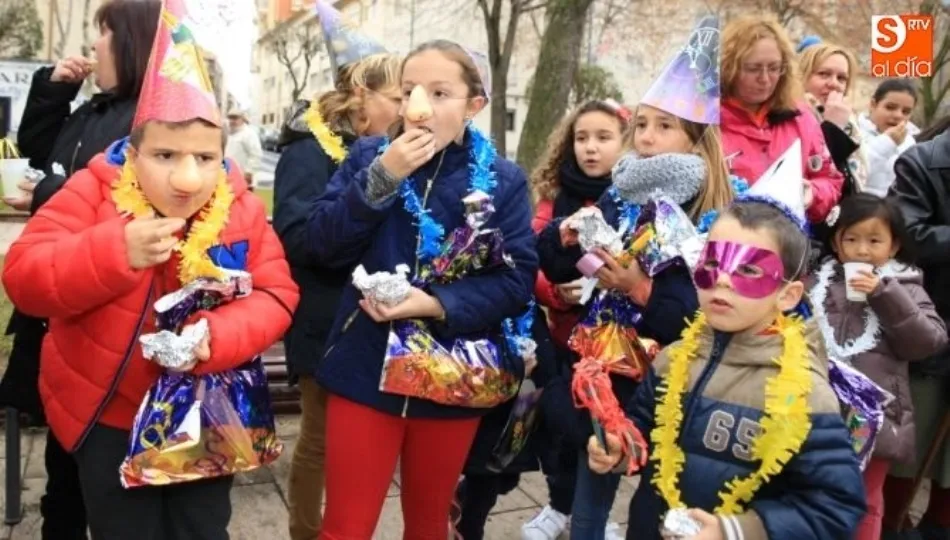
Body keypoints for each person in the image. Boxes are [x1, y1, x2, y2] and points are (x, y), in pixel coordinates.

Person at [0, 1, 299, 537]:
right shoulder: (92, 190)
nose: (187, 179)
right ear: (133, 153)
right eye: (164, 155)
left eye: (204, 158)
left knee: (202, 527)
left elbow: (276, 294)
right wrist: (112, 253)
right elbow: (24, 277)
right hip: (111, 418)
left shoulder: (240, 206)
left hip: (207, 412)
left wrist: (219, 336)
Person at [307, 39, 537, 538]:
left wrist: (436, 304)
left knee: (429, 523)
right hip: (364, 369)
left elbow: (516, 279)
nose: (420, 106)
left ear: (474, 105)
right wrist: (382, 177)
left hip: (452, 378)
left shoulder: (502, 182)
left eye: (439, 93)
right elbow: (322, 247)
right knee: (344, 526)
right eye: (410, 89)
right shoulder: (370, 155)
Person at [588, 142, 867, 540]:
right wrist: (619, 449)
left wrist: (736, 530)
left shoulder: (806, 393)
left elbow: (836, 507)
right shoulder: (673, 359)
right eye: (714, 262)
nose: (722, 278)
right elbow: (643, 431)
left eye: (750, 268)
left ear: (787, 295)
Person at [537, 16, 736, 540]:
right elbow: (558, 265)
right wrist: (564, 239)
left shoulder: (714, 213)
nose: (646, 137)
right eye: (641, 124)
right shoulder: (619, 192)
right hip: (603, 373)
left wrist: (637, 288)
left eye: (663, 126)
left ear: (696, 141)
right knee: (590, 497)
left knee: (657, 505)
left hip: (672, 383)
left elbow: (698, 312)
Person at [0, 1, 161, 538]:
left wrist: (46, 194)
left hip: (103, 321)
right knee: (63, 470)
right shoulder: (94, 110)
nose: (93, 47)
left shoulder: (150, 118)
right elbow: (38, 149)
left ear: (133, 44)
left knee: (90, 477)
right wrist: (54, 90)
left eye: (104, 34)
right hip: (60, 302)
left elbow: (124, 201)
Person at [272, 1, 400, 535]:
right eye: (397, 96)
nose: (408, 105)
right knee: (321, 442)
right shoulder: (309, 148)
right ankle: (306, 531)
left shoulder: (394, 149)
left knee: (360, 442)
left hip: (375, 319)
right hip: (325, 320)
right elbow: (298, 237)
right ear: (362, 95)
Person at [520, 98, 632, 540]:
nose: (590, 148)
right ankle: (558, 503)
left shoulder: (632, 199)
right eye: (581, 138)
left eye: (603, 138)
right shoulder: (553, 198)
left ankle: (595, 512)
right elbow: (529, 260)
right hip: (563, 336)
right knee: (559, 430)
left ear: (624, 144)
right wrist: (556, 295)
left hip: (616, 343)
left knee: (602, 432)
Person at [809, 193, 947, 540]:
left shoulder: (906, 287)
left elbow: (928, 342)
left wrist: (885, 295)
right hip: (814, 410)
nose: (862, 251)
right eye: (851, 239)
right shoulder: (817, 282)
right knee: (810, 488)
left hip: (872, 420)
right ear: (836, 244)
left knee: (864, 498)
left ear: (894, 245)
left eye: (874, 240)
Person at [885, 118, 950, 540]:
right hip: (932, 328)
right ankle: (890, 526)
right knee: (910, 448)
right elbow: (908, 236)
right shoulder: (923, 161)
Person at [719, 14, 844, 224]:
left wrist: (811, 193)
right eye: (753, 68)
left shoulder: (801, 118)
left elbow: (830, 179)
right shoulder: (703, 121)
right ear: (729, 68)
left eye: (775, 68)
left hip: (788, 242)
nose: (765, 79)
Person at [797, 39, 868, 194]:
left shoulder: (849, 122)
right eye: (824, 74)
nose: (834, 83)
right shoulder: (791, 117)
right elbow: (815, 171)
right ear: (802, 76)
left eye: (841, 78)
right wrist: (833, 128)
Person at [858, 79, 920, 197]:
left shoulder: (910, 142)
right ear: (873, 104)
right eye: (890, 107)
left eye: (906, 112)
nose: (898, 115)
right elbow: (858, 172)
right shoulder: (855, 132)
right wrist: (888, 142)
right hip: (860, 208)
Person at [225, 108, 263, 190]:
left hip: (244, 179)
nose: (232, 121)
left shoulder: (249, 134)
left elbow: (256, 155)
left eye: (235, 118)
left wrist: (249, 172)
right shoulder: (228, 133)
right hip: (229, 178)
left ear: (242, 119)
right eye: (230, 118)